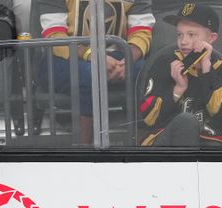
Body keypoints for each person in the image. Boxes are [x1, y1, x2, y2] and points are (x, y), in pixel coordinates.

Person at [39, 0, 155, 143]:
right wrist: (94, 56)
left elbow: (141, 32)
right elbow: (55, 37)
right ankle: (85, 151)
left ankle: (142, 148)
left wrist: (126, 62)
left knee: (146, 72)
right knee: (90, 74)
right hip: (64, 56)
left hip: (117, 55)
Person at [140, 3, 222, 146]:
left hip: (211, 141)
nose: (183, 41)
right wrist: (177, 90)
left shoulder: (219, 67)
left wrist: (206, 71)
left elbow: (217, 111)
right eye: (180, 34)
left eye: (191, 35)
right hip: (168, 141)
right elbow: (149, 118)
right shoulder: (164, 63)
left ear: (212, 38)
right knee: (186, 121)